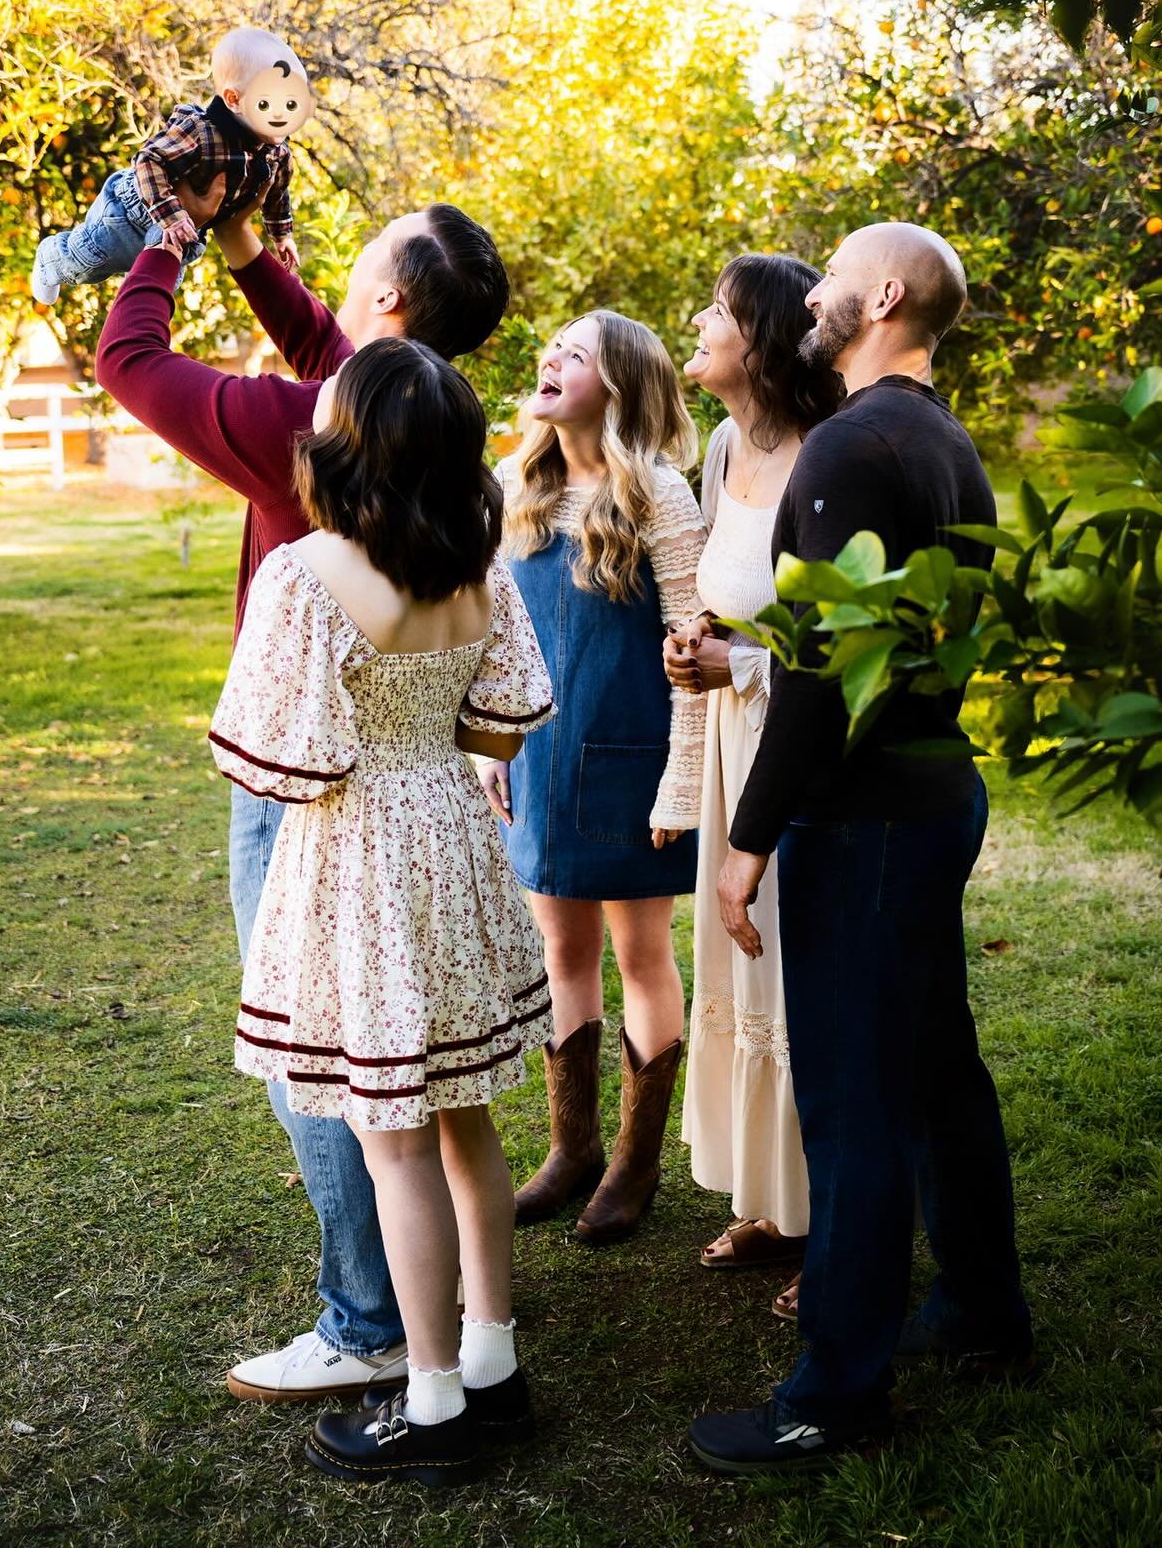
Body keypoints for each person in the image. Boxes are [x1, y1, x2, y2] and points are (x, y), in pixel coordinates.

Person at [95, 176, 509, 1404]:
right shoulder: (448, 452)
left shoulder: (299, 441)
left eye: (350, 263)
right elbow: (346, 354)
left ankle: (367, 1314)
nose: (322, 274)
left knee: (326, 1057)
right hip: (443, 800)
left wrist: (166, 236)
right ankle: (472, 1331)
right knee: (441, 1080)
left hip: (326, 802)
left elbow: (129, 360)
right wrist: (253, 256)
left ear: (384, 296)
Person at [688, 222, 1032, 1477]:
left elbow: (826, 679)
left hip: (871, 810)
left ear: (884, 296)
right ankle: (983, 1312)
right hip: (938, 793)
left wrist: (748, 839)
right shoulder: (948, 441)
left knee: (853, 1108)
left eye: (834, 274)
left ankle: (835, 1392)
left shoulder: (850, 443)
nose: (815, 292)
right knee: (939, 1065)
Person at [210, 339, 554, 1485]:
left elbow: (279, 765)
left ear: (343, 443)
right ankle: (493, 1359)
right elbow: (503, 722)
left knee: (392, 1138)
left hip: (356, 855)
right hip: (452, 840)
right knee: (466, 1122)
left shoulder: (306, 575)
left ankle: (434, 1393)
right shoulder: (480, 568)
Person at [478, 311, 706, 1245]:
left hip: (633, 769)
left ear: (619, 385)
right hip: (534, 761)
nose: (551, 358)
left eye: (577, 353)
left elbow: (696, 648)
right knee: (558, 955)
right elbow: (489, 633)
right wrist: (484, 747)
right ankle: (569, 1150)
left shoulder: (660, 494)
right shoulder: (513, 485)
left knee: (640, 956)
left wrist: (683, 784)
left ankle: (632, 1164)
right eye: (552, 347)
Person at [665, 255, 839, 1313]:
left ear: (764, 342)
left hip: (802, 751)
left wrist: (748, 665)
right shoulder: (728, 442)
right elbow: (727, 604)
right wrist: (700, 650)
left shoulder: (832, 455)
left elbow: (851, 647)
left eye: (719, 313)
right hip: (733, 740)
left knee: (797, 978)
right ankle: (775, 1201)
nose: (698, 320)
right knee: (740, 975)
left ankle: (835, 1223)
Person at [34, 26, 312, 303]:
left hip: (186, 231)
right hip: (135, 212)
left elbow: (277, 193)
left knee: (161, 290)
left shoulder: (278, 154)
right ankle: (50, 258)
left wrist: (282, 234)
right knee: (87, 263)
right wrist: (172, 216)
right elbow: (149, 159)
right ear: (234, 99)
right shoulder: (201, 131)